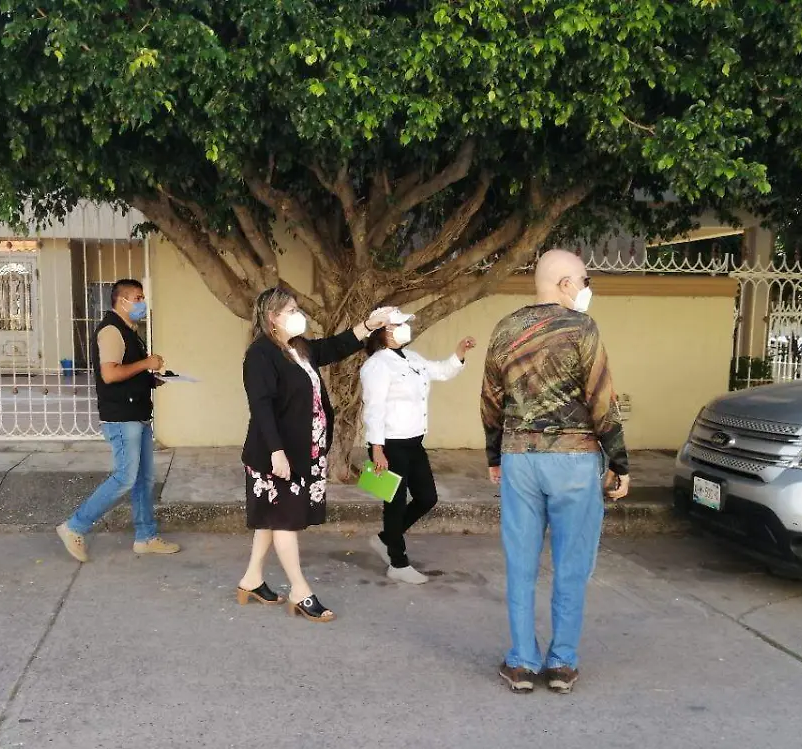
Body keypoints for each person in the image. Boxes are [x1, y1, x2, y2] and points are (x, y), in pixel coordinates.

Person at [481, 248, 630, 695]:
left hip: (520, 459)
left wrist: (494, 456)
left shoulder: (505, 328)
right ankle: (562, 663)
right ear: (565, 284)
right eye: (584, 280)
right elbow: (602, 400)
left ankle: (522, 663)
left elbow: (491, 400)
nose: (587, 288)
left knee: (520, 563)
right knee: (571, 565)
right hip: (574, 462)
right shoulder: (583, 328)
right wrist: (619, 461)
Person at [236, 287, 391, 622]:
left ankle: (251, 579)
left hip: (303, 449)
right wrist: (277, 452)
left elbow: (334, 347)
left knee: (273, 517)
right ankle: (299, 590)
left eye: (297, 308)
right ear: (272, 317)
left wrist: (368, 325)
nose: (298, 315)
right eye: (291, 310)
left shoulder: (298, 348)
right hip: (277, 454)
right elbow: (261, 407)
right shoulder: (260, 354)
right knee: (285, 521)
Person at [57, 279, 180, 561]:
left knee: (144, 479)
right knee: (125, 477)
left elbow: (127, 371)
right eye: (137, 298)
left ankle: (146, 537)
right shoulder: (112, 331)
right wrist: (146, 363)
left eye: (142, 298)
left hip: (137, 413)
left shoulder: (130, 331)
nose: (142, 303)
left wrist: (151, 379)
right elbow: (110, 374)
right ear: (121, 300)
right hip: (122, 417)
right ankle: (74, 527)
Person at [360, 311, 477, 584]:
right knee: (394, 504)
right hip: (389, 444)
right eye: (397, 325)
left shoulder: (412, 358)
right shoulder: (377, 365)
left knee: (427, 498)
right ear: (382, 331)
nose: (404, 328)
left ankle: (386, 539)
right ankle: (398, 563)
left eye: (404, 324)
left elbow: (441, 371)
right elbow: (374, 409)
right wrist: (376, 449)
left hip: (414, 442)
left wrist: (459, 352)